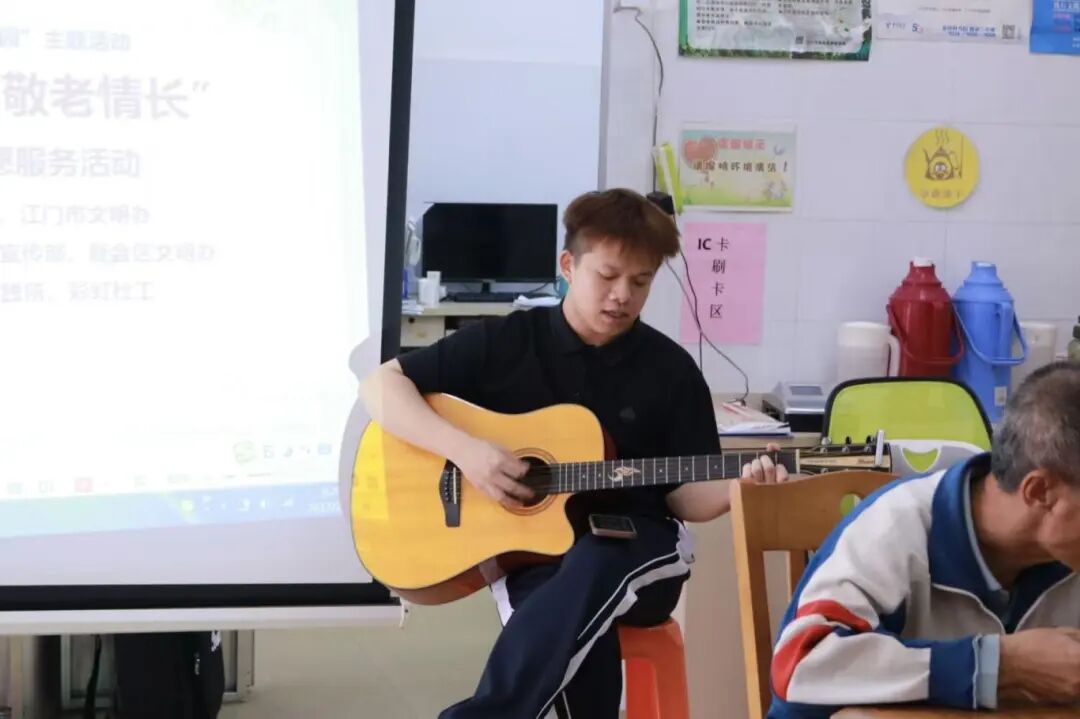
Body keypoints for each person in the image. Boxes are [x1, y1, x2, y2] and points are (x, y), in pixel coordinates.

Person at [360, 188, 788, 718]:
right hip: (533, 555)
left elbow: (684, 497)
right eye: (607, 276)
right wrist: (466, 452)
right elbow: (381, 386)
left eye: (640, 282)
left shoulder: (670, 370)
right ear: (568, 265)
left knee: (594, 563)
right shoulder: (508, 341)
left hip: (641, 549)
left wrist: (736, 489)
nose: (622, 296)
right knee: (574, 630)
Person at [768, 361, 1080, 719]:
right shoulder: (893, 527)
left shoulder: (1064, 553)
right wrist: (1000, 665)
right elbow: (800, 665)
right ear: (1039, 492)